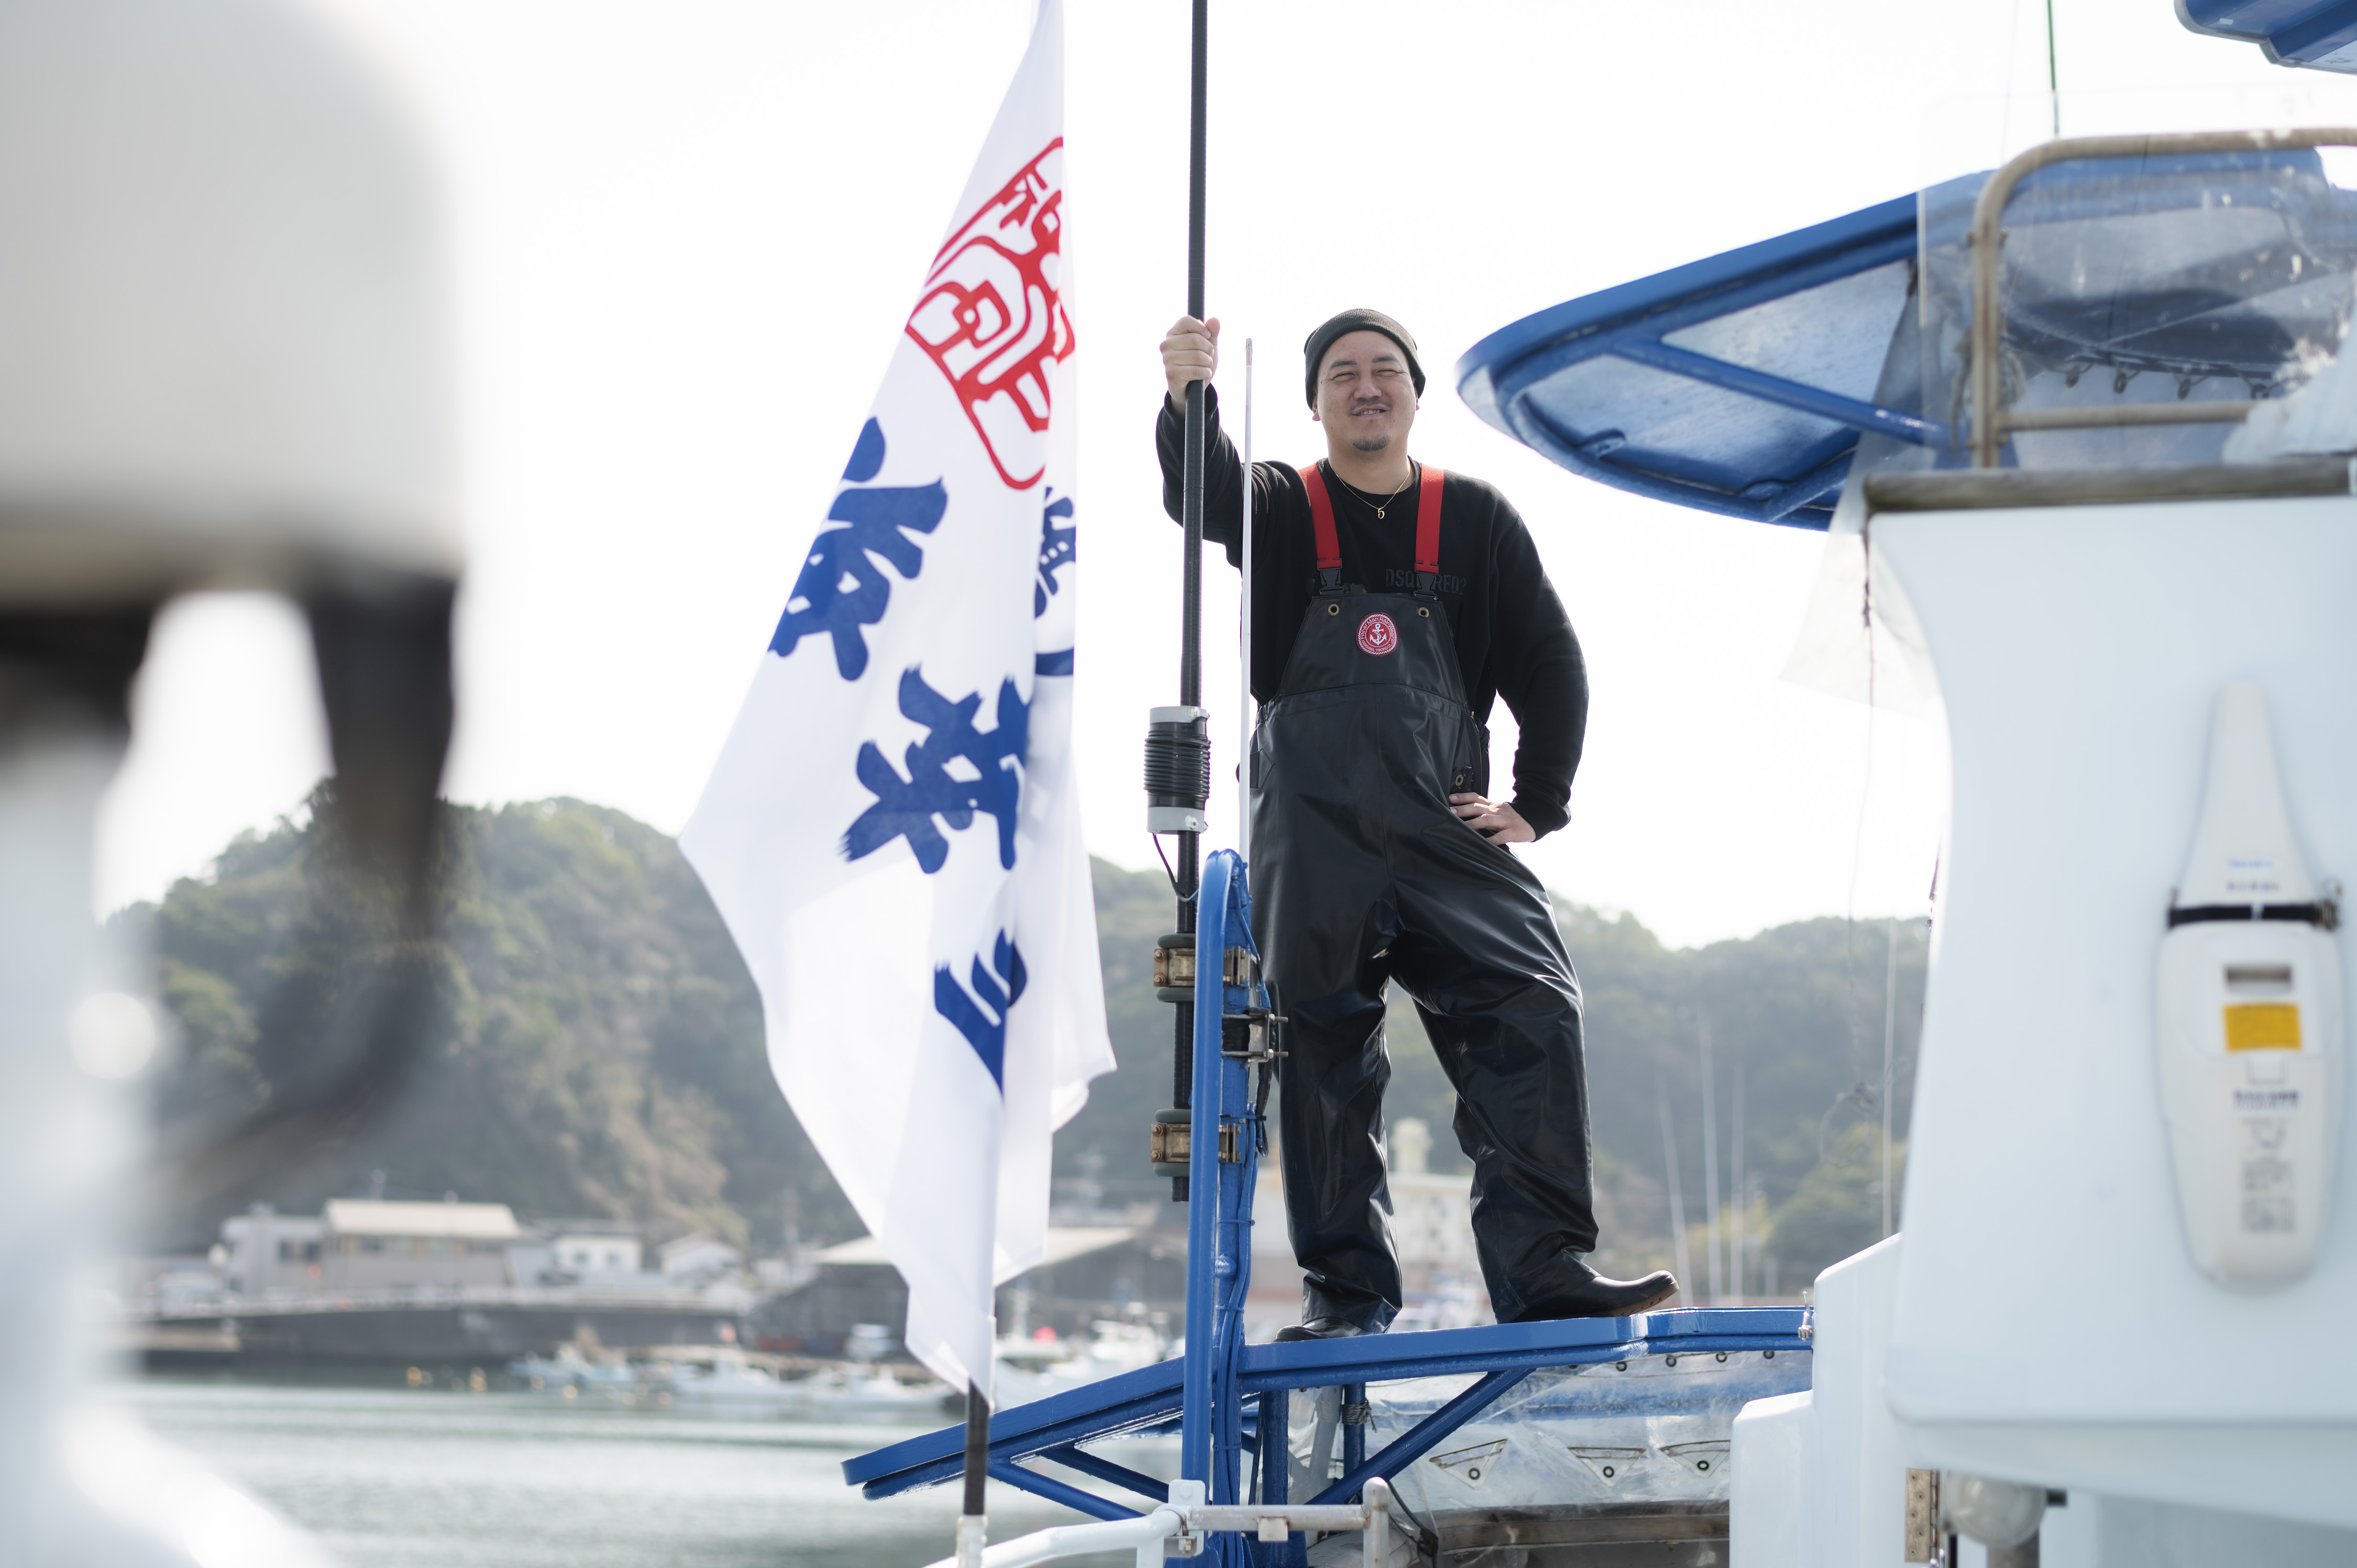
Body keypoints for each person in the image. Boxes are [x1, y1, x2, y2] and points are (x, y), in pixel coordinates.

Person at [1155, 307, 1677, 1338]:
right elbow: (1203, 492)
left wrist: (1538, 801)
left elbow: (1551, 660)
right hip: (1313, 824)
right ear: (1315, 403)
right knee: (1322, 1043)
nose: (1365, 387)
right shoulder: (1279, 505)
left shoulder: (1476, 518)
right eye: (1342, 373)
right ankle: (1348, 1293)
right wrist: (1188, 395)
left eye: (1384, 370)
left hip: (1445, 823)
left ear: (1414, 393)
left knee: (1531, 1001)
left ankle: (1544, 1268)